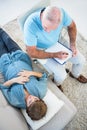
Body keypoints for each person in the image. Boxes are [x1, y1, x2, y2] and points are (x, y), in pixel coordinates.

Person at [24, 6, 87, 91]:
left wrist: (72, 45)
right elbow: (31, 52)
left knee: (81, 60)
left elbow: (72, 26)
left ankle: (75, 74)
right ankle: (57, 84)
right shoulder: (30, 24)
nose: (48, 31)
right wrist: (54, 55)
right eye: (45, 27)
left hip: (58, 41)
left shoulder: (62, 13)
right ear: (42, 16)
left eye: (52, 29)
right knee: (61, 75)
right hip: (41, 49)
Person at [0, 28, 47, 120]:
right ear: (40, 100)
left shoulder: (16, 101)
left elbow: (3, 86)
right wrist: (31, 73)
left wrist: (14, 80)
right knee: (6, 38)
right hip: (20, 56)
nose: (32, 97)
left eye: (30, 102)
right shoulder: (41, 91)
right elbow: (43, 76)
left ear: (27, 109)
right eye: (36, 99)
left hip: (5, 62)